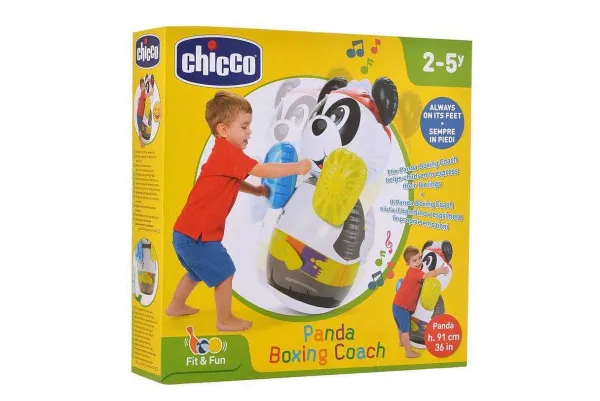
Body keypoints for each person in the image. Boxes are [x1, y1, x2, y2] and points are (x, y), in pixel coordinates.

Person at [166, 91, 311, 332]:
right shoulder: (229, 153)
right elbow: (262, 170)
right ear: (223, 130)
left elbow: (232, 180)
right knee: (225, 273)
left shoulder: (221, 154)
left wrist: (255, 191)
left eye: (249, 126)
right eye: (244, 127)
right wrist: (297, 167)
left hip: (184, 233)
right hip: (199, 236)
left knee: (194, 273)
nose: (249, 132)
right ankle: (224, 320)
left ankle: (175, 306)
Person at [392, 245, 449, 357]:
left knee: (400, 326)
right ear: (408, 264)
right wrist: (439, 271)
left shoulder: (411, 273)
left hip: (397, 305)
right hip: (402, 307)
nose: (418, 262)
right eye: (414, 260)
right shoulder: (414, 272)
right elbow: (426, 275)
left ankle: (401, 342)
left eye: (419, 258)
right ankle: (408, 352)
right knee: (405, 330)